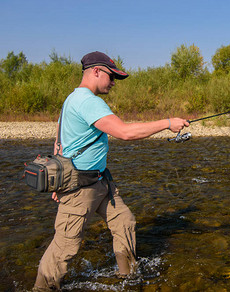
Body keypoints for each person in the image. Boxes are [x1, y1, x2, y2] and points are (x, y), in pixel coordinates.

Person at [33, 51, 189, 291]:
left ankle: (127, 278)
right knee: (66, 246)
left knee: (124, 221)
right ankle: (42, 288)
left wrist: (57, 182)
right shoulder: (87, 101)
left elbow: (59, 140)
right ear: (96, 71)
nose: (114, 82)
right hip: (80, 188)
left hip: (101, 181)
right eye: (112, 76)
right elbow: (124, 132)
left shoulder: (72, 99)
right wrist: (167, 123)